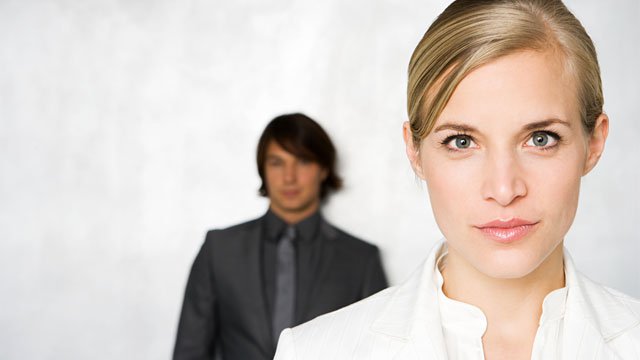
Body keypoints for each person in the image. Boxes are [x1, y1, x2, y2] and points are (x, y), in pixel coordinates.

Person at [274, 1, 640, 359]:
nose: (503, 190)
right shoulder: (312, 351)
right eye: (461, 142)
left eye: (540, 138)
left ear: (594, 143)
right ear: (414, 151)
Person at [173, 113, 388, 360]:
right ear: (262, 169)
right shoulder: (219, 250)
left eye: (303, 161)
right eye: (277, 163)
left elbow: (379, 354)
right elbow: (189, 353)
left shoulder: (360, 260)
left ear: (324, 169)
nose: (289, 177)